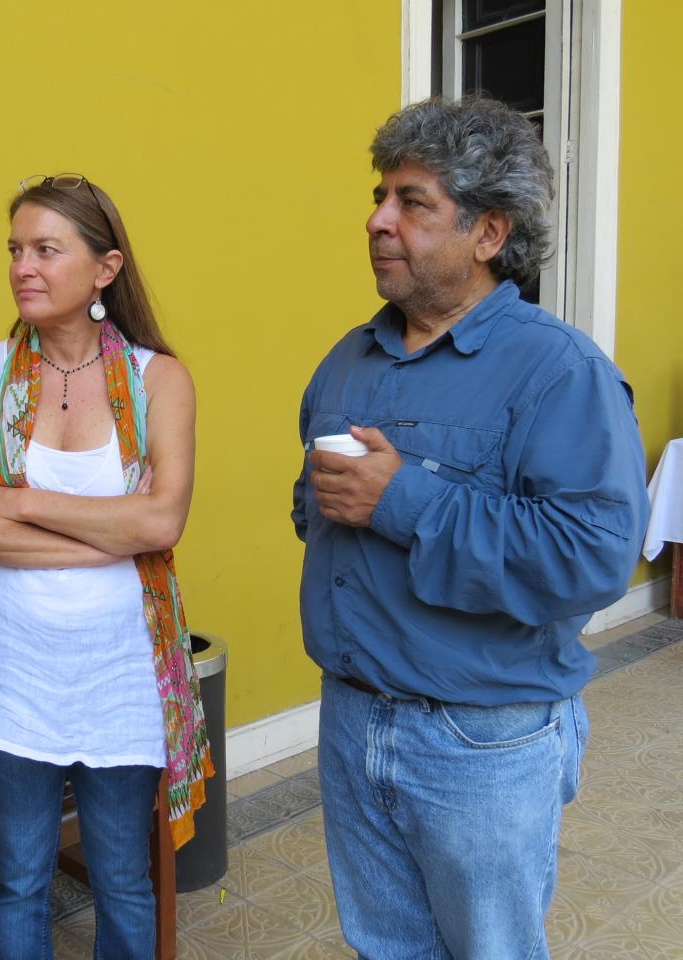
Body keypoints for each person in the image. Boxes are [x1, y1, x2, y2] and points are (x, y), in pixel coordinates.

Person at [292, 96, 649, 959]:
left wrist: (401, 500)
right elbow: (317, 514)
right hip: (351, 718)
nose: (378, 220)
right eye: (381, 197)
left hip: (479, 737)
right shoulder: (348, 357)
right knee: (387, 947)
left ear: (489, 234)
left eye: (412, 202)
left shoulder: (559, 371)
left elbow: (591, 556)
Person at [0, 174, 210, 959]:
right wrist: (106, 539)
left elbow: (161, 520)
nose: (22, 267)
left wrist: (17, 503)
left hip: (120, 668)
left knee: (121, 875)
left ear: (105, 269)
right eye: (15, 250)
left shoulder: (160, 381)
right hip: (11, 665)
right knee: (19, 877)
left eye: (47, 249)